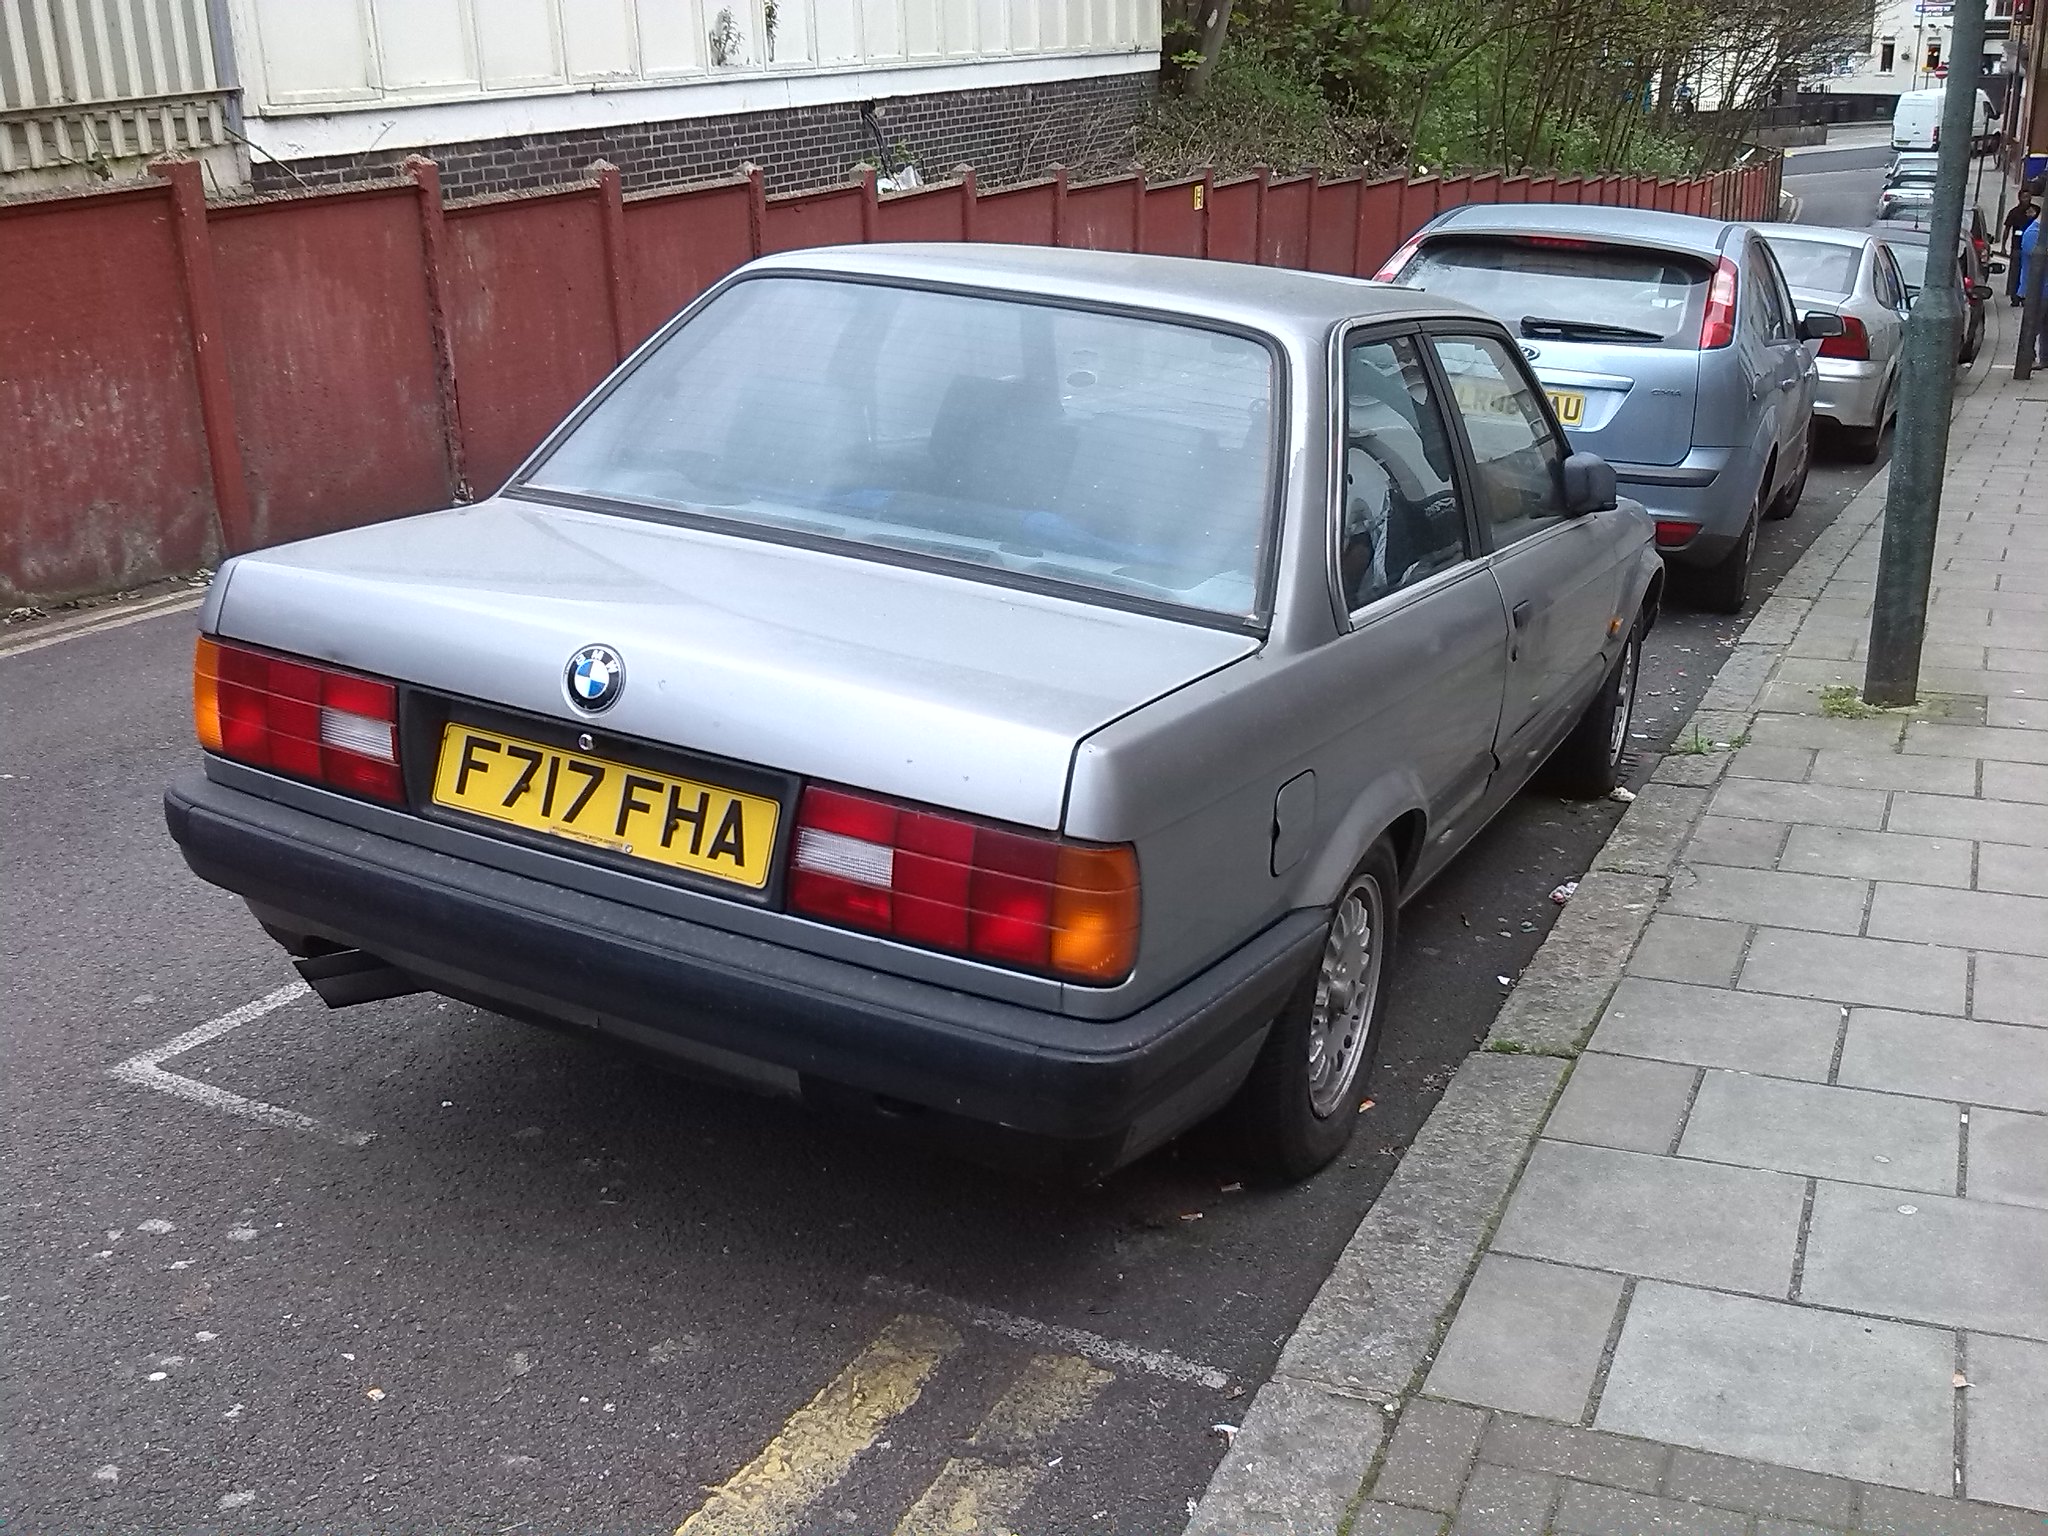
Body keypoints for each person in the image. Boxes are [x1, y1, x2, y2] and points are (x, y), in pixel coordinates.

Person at [2004, 191, 2037, 304]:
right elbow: (2007, 228)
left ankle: (2024, 296)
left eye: (2028, 197)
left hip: (2031, 246)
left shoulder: (2036, 210)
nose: (2026, 199)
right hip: (2017, 245)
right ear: (2019, 198)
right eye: (2024, 197)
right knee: (2015, 272)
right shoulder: (2014, 212)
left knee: (2028, 272)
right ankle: (2015, 296)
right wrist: (2003, 246)